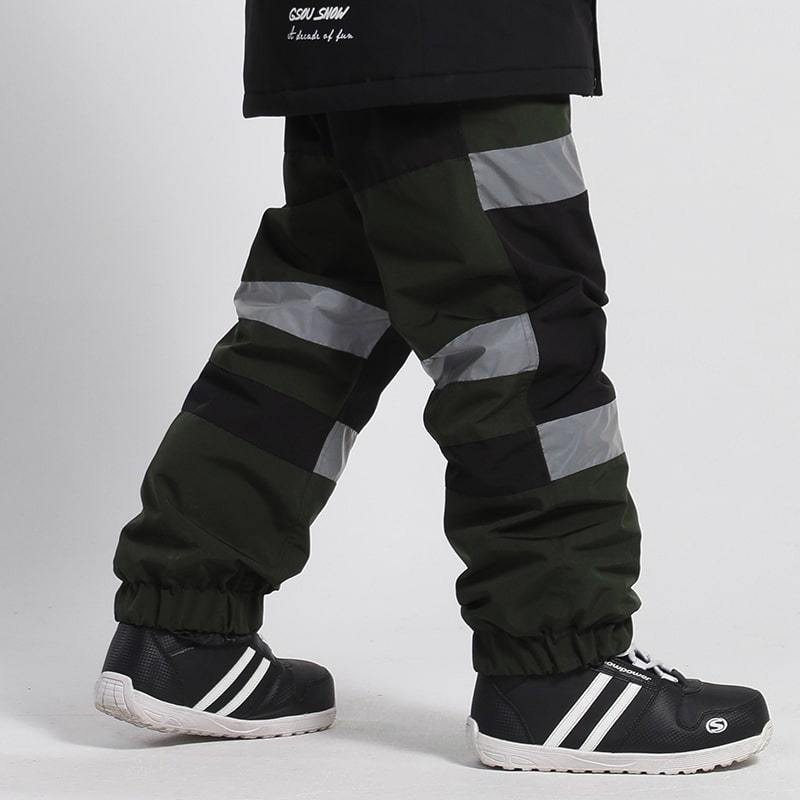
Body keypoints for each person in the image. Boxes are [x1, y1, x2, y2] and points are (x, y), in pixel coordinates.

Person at [94, 1, 771, 773]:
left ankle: (185, 629)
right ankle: (558, 668)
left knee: (322, 314)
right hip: (459, 31)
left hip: (337, 31)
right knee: (519, 324)